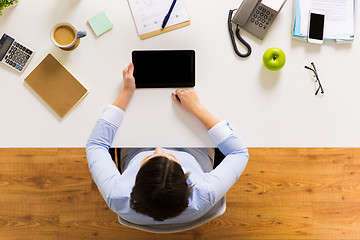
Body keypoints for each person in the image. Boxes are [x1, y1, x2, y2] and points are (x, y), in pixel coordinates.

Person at [86, 63, 249, 225]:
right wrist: (197, 108)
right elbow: (239, 152)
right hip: (194, 153)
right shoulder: (205, 192)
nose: (159, 148)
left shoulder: (117, 195)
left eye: (151, 157)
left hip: (136, 148)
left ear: (135, 181)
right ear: (187, 181)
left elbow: (96, 145)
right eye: (169, 157)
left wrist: (127, 92)